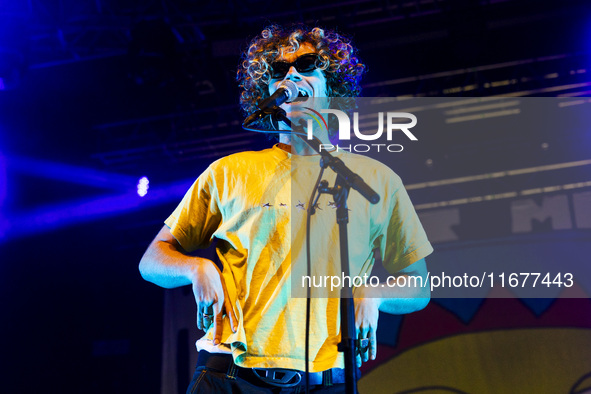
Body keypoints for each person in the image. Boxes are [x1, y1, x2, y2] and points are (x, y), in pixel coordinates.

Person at [139, 24, 433, 393]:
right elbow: (152, 260)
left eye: (307, 63)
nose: (291, 73)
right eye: (279, 70)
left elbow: (418, 285)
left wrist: (373, 294)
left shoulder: (375, 178)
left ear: (332, 85)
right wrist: (196, 267)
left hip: (328, 380)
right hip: (230, 374)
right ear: (268, 90)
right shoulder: (229, 171)